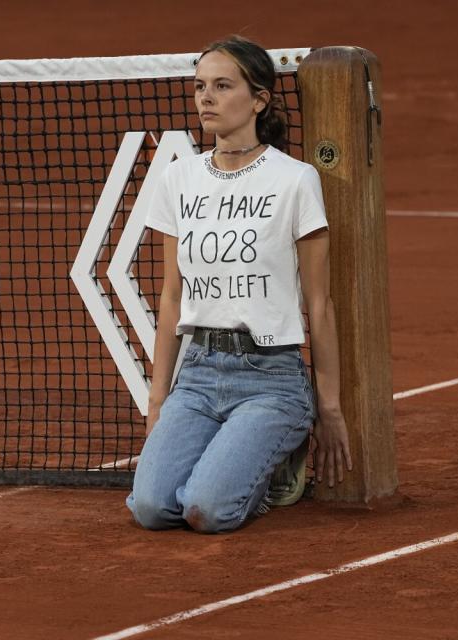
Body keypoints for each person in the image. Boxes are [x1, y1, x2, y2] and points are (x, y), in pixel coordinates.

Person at [126, 35, 352, 534]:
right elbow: (171, 297)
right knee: (149, 508)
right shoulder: (179, 179)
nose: (205, 97)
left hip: (271, 379)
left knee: (207, 512)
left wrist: (329, 408)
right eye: (200, 86)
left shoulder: (294, 180)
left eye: (222, 86)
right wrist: (158, 399)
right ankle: (233, 458)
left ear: (259, 99)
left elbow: (320, 302)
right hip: (199, 375)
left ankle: (273, 459)